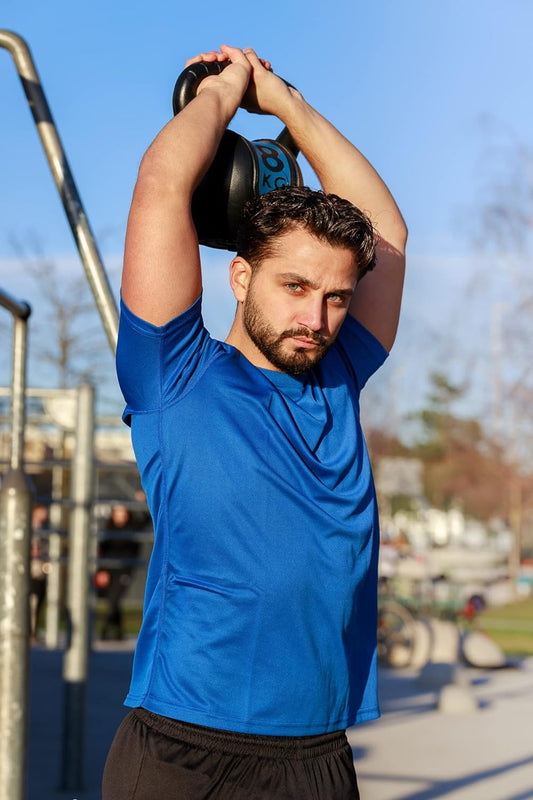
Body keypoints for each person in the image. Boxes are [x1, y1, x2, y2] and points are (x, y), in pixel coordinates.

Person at [103, 45, 407, 800]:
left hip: (317, 754)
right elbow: (162, 186)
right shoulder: (175, 375)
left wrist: (287, 104)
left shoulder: (339, 374)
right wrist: (227, 89)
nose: (316, 318)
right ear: (240, 276)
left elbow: (386, 235)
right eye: (294, 286)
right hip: (184, 751)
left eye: (336, 297)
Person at [95, 503, 140, 640]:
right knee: (113, 600)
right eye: (117, 513)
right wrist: (102, 571)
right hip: (110, 569)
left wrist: (140, 502)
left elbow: (145, 520)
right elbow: (103, 551)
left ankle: (104, 630)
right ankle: (119, 631)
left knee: (114, 599)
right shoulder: (109, 530)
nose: (120, 516)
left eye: (123, 513)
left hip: (124, 570)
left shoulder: (132, 528)